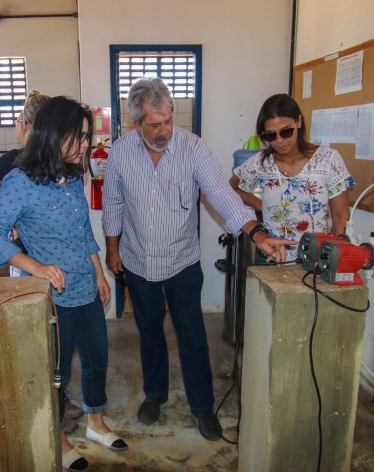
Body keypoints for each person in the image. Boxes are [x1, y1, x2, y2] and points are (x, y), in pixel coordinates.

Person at [102, 77, 294, 441]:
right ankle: (155, 395)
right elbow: (113, 202)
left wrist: (257, 234)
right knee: (150, 332)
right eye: (154, 125)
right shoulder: (121, 152)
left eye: (168, 121)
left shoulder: (193, 148)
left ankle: (202, 406)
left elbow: (223, 195)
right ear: (135, 123)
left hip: (182, 263)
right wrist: (112, 249)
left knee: (192, 335)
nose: (164, 131)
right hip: (138, 262)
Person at [0, 96, 127, 472]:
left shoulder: (71, 174)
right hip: (54, 297)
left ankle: (95, 422)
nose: (86, 144)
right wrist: (36, 267)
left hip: (85, 288)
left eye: (86, 136)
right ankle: (59, 435)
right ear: (51, 133)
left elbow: (82, 230)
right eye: (78, 136)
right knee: (56, 370)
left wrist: (98, 271)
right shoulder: (19, 181)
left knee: (97, 358)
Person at [0, 91, 85, 433]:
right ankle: (41, 405)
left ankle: (58, 398)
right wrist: (9, 223)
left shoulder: (65, 168)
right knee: (35, 333)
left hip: (57, 267)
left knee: (58, 339)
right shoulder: (18, 163)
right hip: (28, 262)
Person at [230, 94, 354, 254]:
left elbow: (340, 215)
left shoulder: (328, 160)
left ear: (299, 122)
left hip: (317, 259)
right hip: (273, 257)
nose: (279, 140)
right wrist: (261, 206)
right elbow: (230, 190)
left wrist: (338, 257)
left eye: (286, 132)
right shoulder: (259, 163)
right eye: (271, 135)